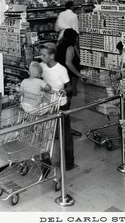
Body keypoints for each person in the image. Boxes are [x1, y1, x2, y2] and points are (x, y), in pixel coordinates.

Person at [39, 42, 75, 171]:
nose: (41, 57)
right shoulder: (41, 66)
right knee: (46, 135)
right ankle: (46, 162)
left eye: (44, 55)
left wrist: (65, 91)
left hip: (61, 106)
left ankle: (69, 161)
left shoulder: (61, 69)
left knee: (64, 135)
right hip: (47, 105)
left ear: (52, 56)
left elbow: (70, 86)